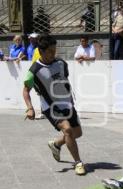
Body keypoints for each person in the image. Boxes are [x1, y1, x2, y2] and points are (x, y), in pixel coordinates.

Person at [23, 34, 86, 175]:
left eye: (54, 50)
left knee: (77, 133)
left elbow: (64, 81)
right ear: (41, 51)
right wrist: (30, 108)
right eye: (50, 51)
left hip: (67, 104)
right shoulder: (34, 71)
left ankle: (56, 144)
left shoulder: (61, 63)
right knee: (68, 130)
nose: (53, 53)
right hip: (51, 107)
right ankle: (78, 162)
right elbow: (26, 91)